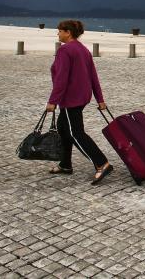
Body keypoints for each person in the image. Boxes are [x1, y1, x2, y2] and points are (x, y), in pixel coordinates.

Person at [46, 19, 113, 185]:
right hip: (82, 97)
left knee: (76, 133)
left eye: (60, 30)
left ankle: (101, 163)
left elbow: (61, 79)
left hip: (70, 99)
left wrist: (53, 101)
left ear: (68, 32)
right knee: (63, 129)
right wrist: (100, 99)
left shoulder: (65, 50)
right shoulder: (83, 49)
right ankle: (65, 165)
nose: (58, 33)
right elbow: (93, 76)